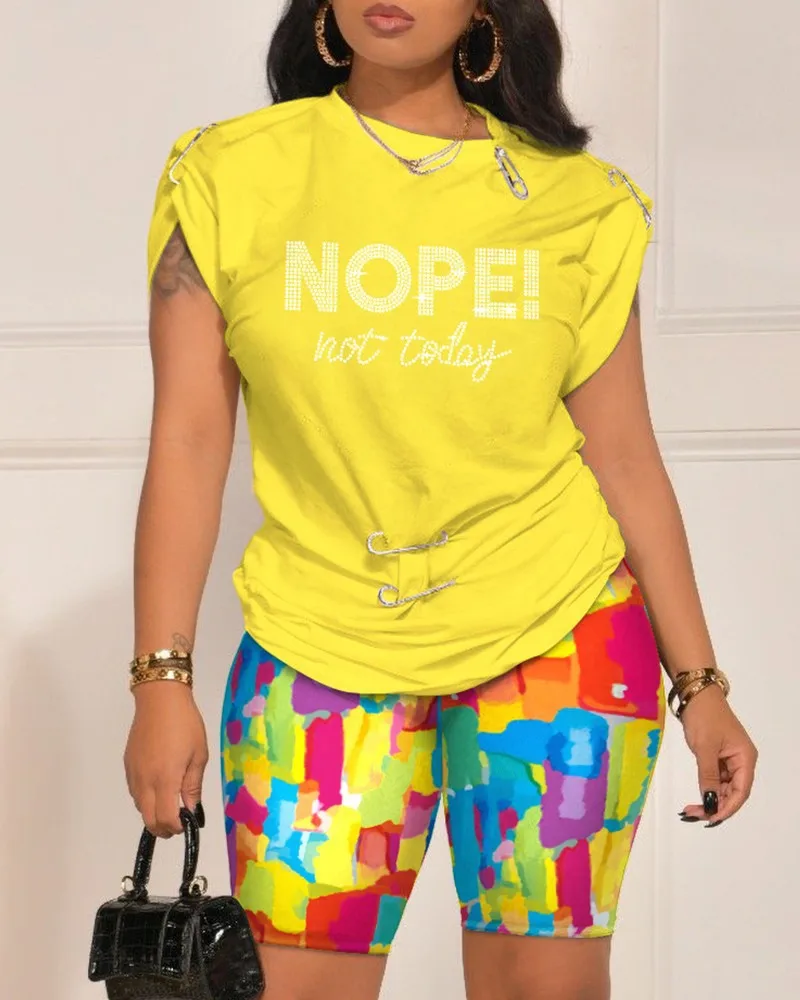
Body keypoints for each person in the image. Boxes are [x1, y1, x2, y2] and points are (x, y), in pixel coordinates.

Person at [123, 2, 758, 998]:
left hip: (560, 639)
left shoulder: (577, 202)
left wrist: (701, 686)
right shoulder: (226, 174)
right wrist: (161, 680)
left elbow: (624, 457)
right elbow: (190, 440)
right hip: (315, 644)